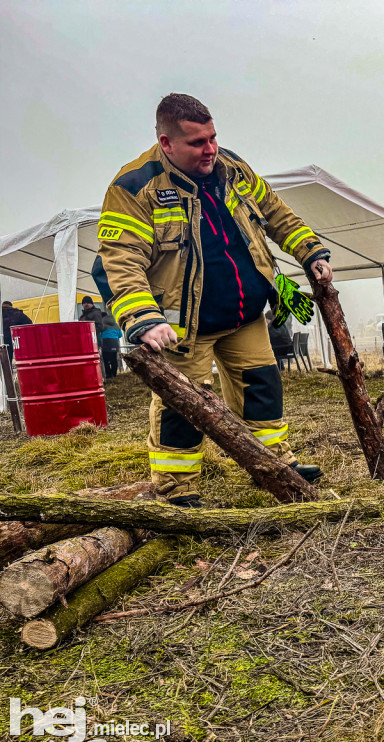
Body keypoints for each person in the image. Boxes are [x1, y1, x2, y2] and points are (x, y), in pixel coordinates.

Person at [92, 93, 333, 507]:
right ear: (166, 143)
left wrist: (310, 252)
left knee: (263, 391)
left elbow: (275, 213)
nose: (211, 150)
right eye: (197, 142)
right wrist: (144, 318)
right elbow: (120, 258)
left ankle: (274, 465)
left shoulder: (233, 167)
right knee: (181, 408)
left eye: (213, 138)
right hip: (183, 328)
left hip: (245, 316)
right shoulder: (133, 187)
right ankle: (176, 490)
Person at [79, 296, 120, 379]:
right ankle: (107, 375)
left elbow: (100, 327)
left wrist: (89, 330)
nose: (86, 304)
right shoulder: (84, 315)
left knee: (101, 358)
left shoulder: (95, 312)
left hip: (95, 340)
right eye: (84, 303)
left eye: (88, 302)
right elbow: (119, 334)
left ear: (92, 303)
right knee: (112, 359)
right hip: (91, 340)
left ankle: (102, 376)